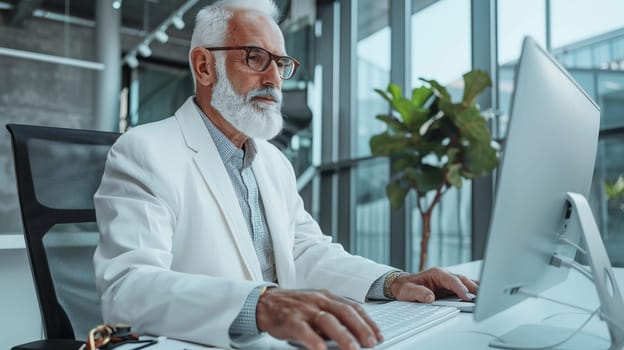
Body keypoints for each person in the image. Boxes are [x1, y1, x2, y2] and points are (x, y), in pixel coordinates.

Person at [93, 0, 477, 349]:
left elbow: (306, 251)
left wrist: (394, 282)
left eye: (280, 63)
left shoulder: (273, 162)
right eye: (256, 58)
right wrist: (260, 305)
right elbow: (127, 287)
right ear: (204, 66)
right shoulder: (145, 150)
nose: (274, 79)